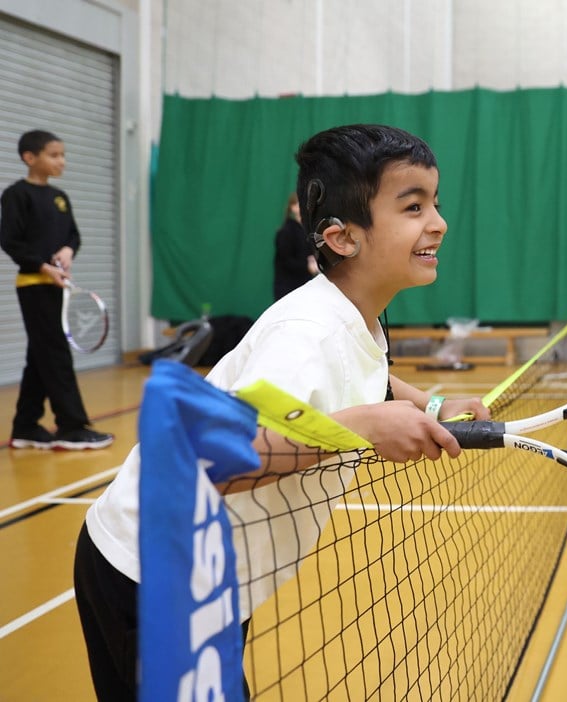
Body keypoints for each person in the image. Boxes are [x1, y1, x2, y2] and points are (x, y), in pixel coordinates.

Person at [72, 124, 491, 700]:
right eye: (413, 206)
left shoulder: (359, 312)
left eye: (435, 203)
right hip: (152, 577)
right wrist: (364, 428)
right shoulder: (304, 333)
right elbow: (214, 464)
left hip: (213, 579)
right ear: (343, 238)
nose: (438, 222)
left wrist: (428, 403)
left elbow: (367, 372)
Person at [0, 130, 115, 450]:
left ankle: (25, 425)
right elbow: (10, 241)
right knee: (56, 353)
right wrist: (42, 266)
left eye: (63, 155)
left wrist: (67, 251)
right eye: (54, 155)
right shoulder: (16, 195)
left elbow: (73, 236)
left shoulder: (59, 197)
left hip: (58, 287)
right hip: (34, 286)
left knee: (40, 355)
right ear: (29, 158)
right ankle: (71, 426)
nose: (61, 161)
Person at [272, 191, 317, 300]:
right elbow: (285, 261)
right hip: (288, 289)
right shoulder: (286, 232)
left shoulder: (309, 230)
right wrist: (307, 266)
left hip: (305, 286)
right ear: (293, 207)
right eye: (300, 203)